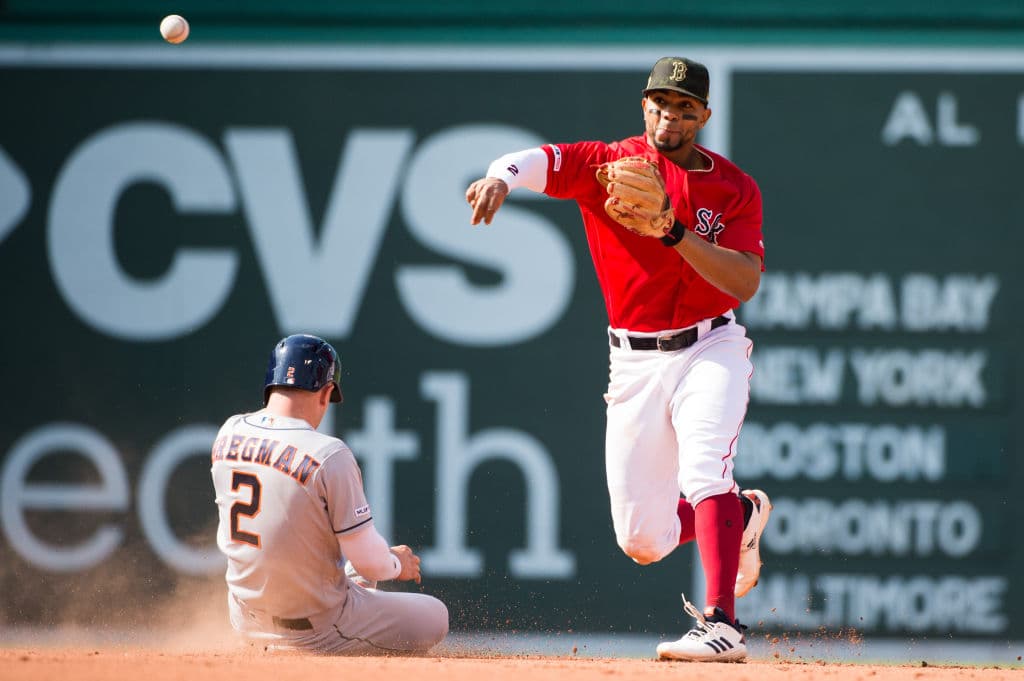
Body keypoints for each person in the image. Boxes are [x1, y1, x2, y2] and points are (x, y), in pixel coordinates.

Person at [465, 56, 772, 662]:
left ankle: (724, 625)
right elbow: (537, 161)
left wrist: (675, 233)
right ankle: (742, 514)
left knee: (705, 467)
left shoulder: (734, 187)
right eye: (661, 102)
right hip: (633, 360)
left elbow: (744, 282)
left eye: (686, 107)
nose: (671, 115)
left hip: (711, 345)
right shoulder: (607, 162)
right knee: (642, 539)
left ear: (704, 116)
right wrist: (500, 177)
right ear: (644, 105)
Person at [210, 334, 448, 655]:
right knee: (435, 615)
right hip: (316, 630)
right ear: (326, 392)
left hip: (245, 617)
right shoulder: (328, 454)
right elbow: (371, 564)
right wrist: (395, 564)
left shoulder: (229, 432)